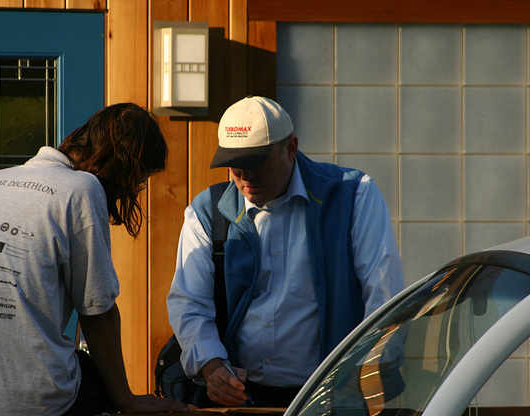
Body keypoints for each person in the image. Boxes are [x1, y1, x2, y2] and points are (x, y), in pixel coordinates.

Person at [0, 103, 188, 416]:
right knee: (103, 388)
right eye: (140, 179)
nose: (136, 190)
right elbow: (98, 311)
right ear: (124, 165)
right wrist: (127, 400)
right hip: (25, 402)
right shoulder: (81, 189)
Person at [167, 96, 405, 408]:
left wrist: (372, 368)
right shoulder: (207, 212)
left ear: (291, 148)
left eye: (256, 163)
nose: (246, 177)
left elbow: (384, 294)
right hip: (243, 401)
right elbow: (189, 304)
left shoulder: (353, 194)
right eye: (236, 167)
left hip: (335, 397)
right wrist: (211, 367)